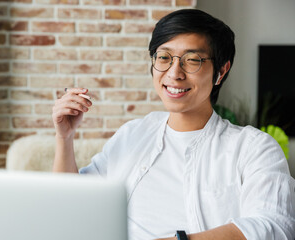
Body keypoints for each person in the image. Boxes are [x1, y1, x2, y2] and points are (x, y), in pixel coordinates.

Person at [52, 9, 295, 240]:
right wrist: (65, 138)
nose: (174, 73)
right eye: (165, 58)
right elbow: (73, 205)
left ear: (221, 71)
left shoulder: (253, 147)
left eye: (192, 60)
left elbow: (275, 227)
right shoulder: (132, 134)